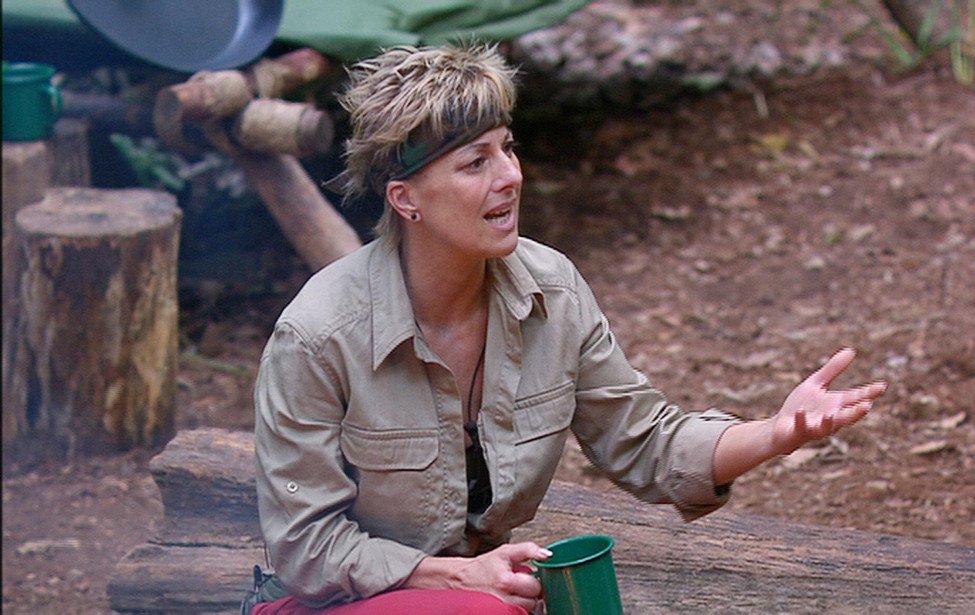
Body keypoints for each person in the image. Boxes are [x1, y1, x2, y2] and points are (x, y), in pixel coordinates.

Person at [250, 43, 887, 615]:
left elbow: (648, 443)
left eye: (507, 147)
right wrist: (455, 577)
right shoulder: (318, 336)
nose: (511, 175)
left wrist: (775, 433)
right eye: (475, 162)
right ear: (405, 199)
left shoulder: (549, 290)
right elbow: (305, 548)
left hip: (482, 595)